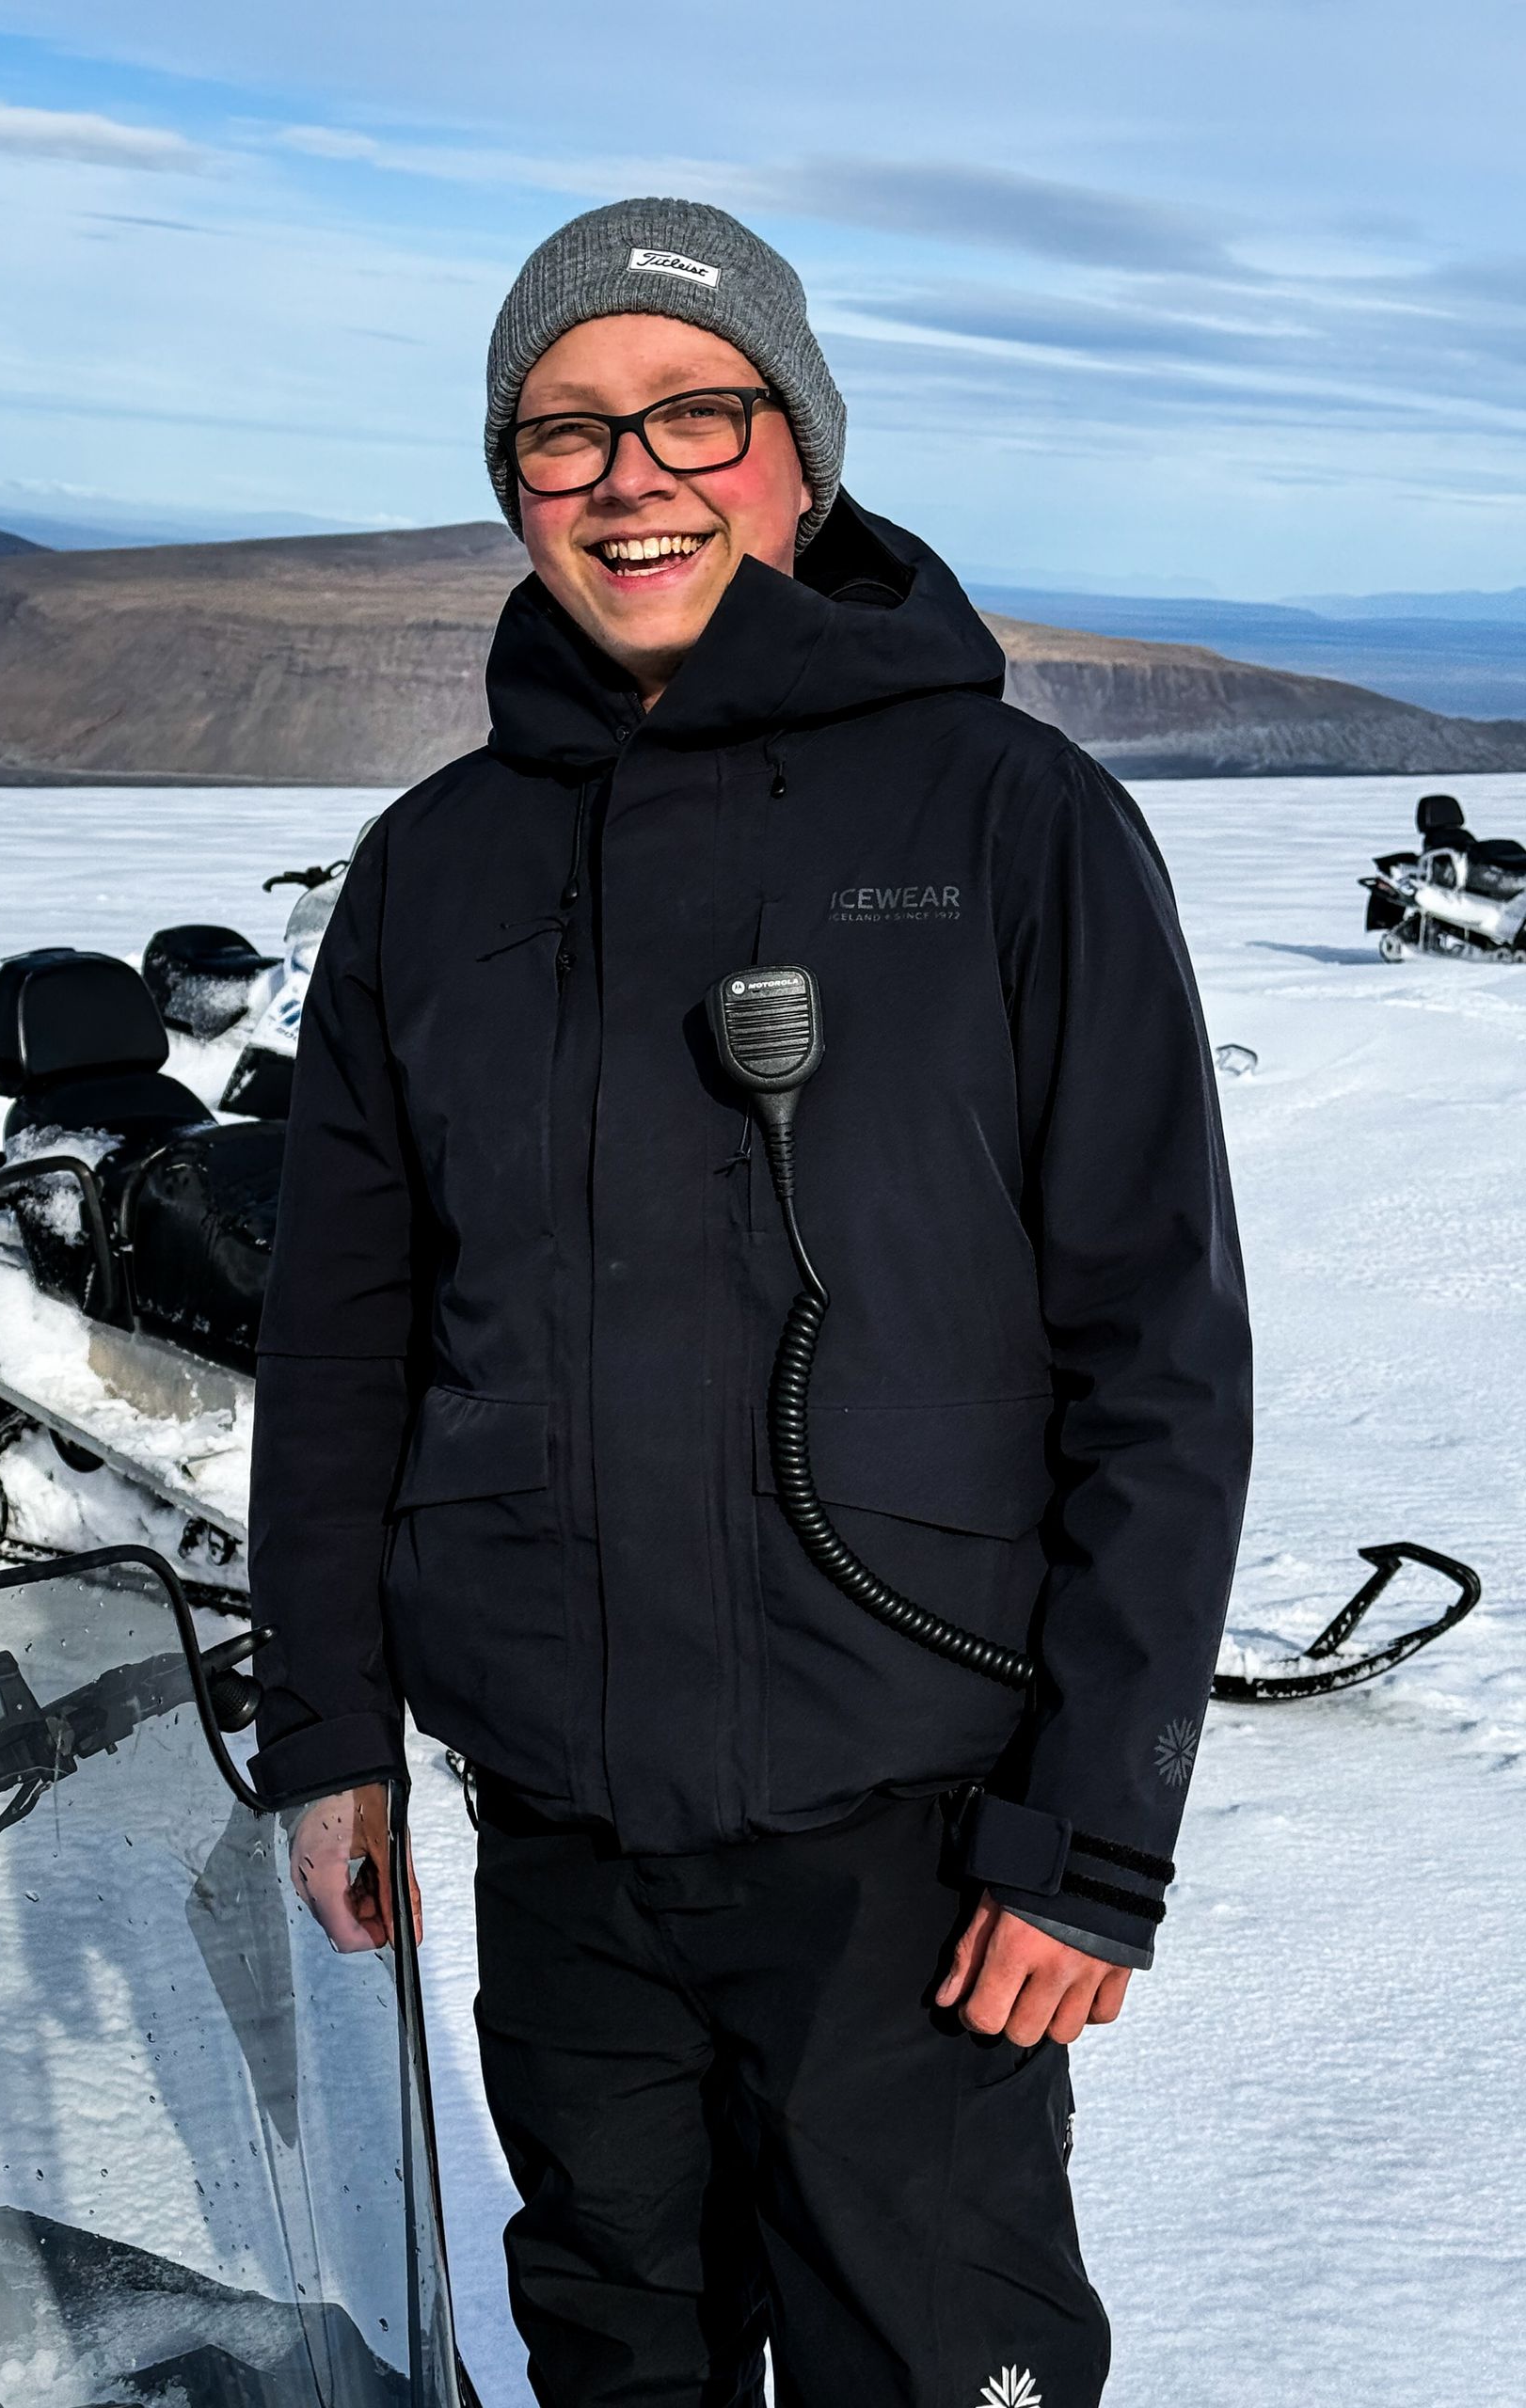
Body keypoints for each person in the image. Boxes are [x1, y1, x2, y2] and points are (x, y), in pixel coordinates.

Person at [249, 198, 1252, 2408]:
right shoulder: (436, 866)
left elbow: (1156, 1359)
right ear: (510, 484)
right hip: (570, 1848)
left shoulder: (1016, 820)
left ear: (799, 447)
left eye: (695, 412)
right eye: (564, 432)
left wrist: (1091, 1841)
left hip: (913, 1846)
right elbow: (342, 1342)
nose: (634, 478)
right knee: (615, 2360)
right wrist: (329, 1728)